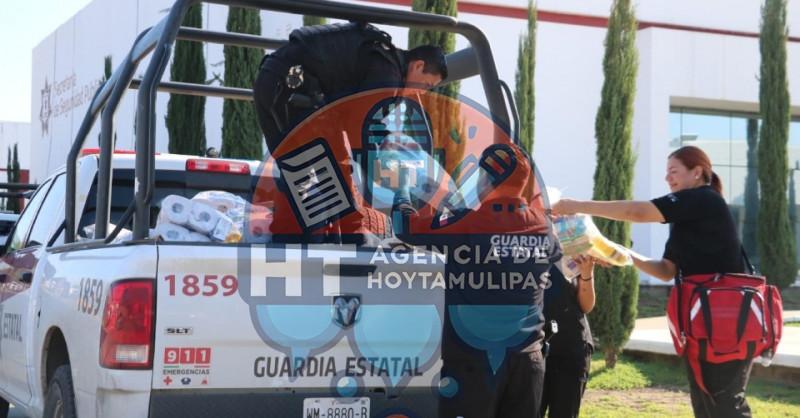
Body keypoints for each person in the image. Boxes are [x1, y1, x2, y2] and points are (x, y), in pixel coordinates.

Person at [551, 145, 752, 417]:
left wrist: (578, 206)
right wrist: (618, 252)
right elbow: (666, 270)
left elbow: (639, 212)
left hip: (725, 319)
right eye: (666, 172)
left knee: (724, 401)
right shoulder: (686, 217)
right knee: (706, 402)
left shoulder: (705, 199)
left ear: (697, 172)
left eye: (674, 171)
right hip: (704, 322)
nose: (668, 178)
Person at [393, 143, 554, 417]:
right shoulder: (544, 227)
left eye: (480, 177)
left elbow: (403, 225)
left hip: (474, 362)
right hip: (528, 360)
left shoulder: (467, 223)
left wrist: (403, 186)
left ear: (490, 181)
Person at [253, 21, 448, 153]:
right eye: (425, 85)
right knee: (321, 169)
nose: (421, 92)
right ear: (418, 65)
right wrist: (376, 173)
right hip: (290, 88)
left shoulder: (385, 62)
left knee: (293, 166)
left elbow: (364, 118)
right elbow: (359, 126)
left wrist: (387, 139)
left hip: (276, 77)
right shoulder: (388, 76)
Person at [540, 254, 595, 418]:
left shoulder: (575, 244)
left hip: (571, 349)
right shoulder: (521, 240)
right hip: (528, 349)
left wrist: (586, 273)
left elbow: (586, 305)